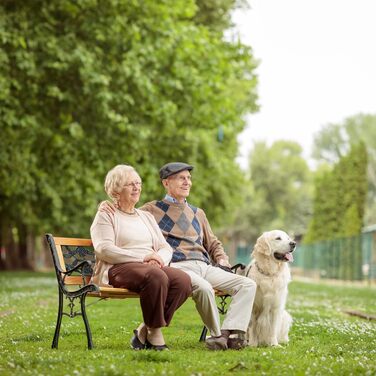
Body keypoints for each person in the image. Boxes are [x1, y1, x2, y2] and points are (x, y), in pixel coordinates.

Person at [101, 162, 256, 350]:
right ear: (166, 183)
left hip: (204, 266)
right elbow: (126, 212)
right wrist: (107, 204)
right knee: (204, 289)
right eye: (181, 178)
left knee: (247, 284)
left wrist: (222, 258)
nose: (187, 182)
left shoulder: (199, 213)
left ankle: (228, 332)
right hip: (177, 266)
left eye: (189, 178)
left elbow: (213, 243)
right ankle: (216, 336)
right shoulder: (151, 210)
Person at [90, 164, 192, 351]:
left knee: (183, 280)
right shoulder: (106, 215)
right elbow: (104, 249)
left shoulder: (146, 217)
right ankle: (155, 334)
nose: (137, 187)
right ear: (116, 190)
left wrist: (158, 258)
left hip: (151, 266)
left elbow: (164, 247)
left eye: (138, 183)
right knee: (156, 276)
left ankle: (145, 329)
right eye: (130, 184)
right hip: (119, 267)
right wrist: (143, 257)